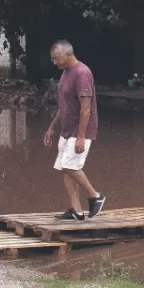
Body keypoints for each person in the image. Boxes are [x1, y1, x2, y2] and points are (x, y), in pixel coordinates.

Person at [43, 40, 105, 221]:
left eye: (56, 58)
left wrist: (81, 137)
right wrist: (52, 128)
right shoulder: (66, 73)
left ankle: (95, 196)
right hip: (66, 129)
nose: (54, 62)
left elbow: (86, 108)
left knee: (70, 166)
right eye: (52, 59)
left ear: (68, 54)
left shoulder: (82, 73)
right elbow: (63, 107)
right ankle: (77, 211)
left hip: (81, 130)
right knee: (65, 168)